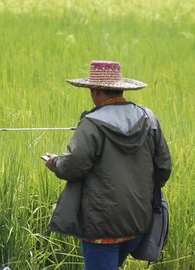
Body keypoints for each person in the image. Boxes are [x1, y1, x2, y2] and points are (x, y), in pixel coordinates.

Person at [43, 60, 172, 269]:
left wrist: (55, 162)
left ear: (95, 91)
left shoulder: (92, 123)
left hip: (103, 229)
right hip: (138, 221)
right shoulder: (149, 119)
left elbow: (74, 166)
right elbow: (164, 168)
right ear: (121, 89)